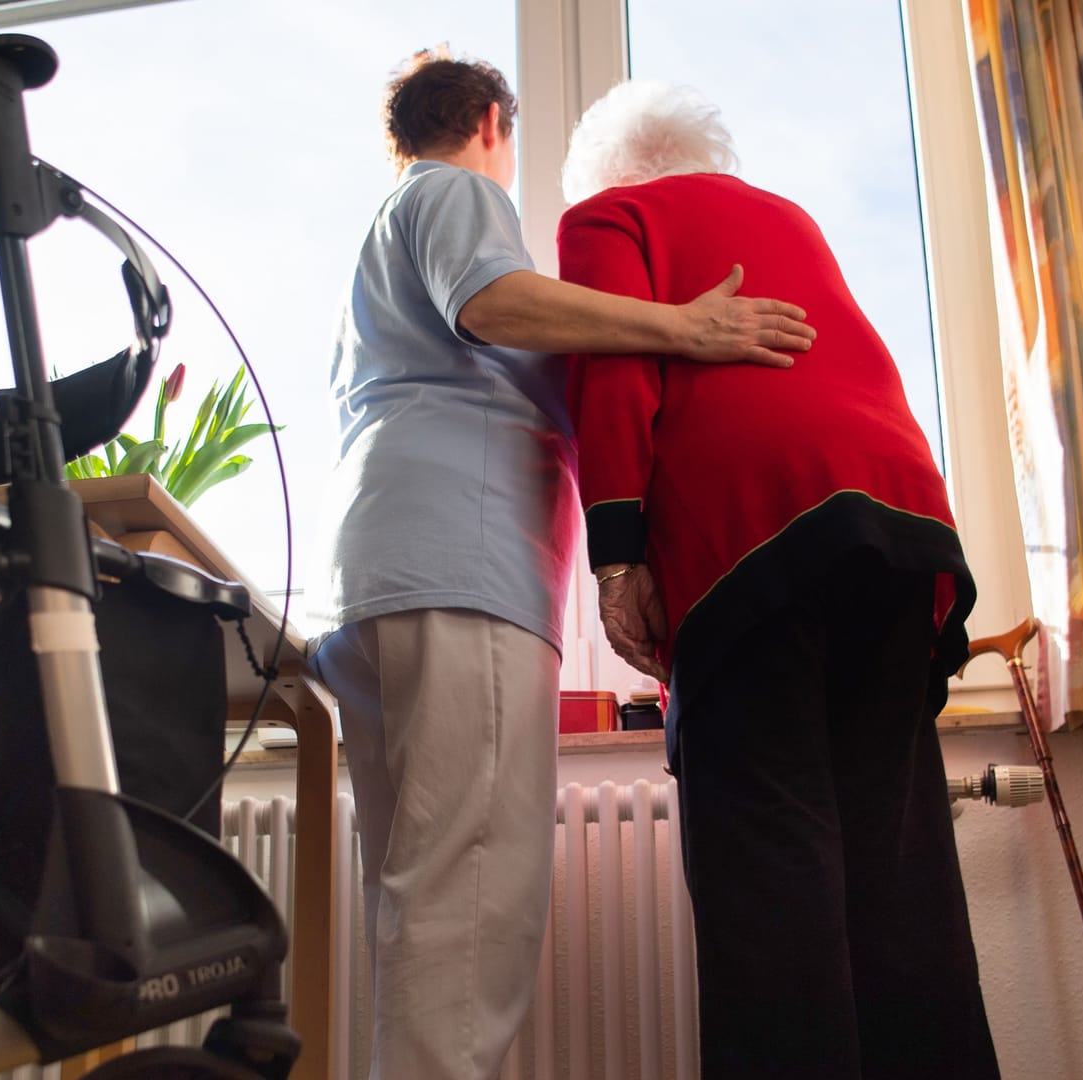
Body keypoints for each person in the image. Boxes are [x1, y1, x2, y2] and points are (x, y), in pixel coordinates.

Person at [306, 52, 815, 1080]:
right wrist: (684, 325)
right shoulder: (455, 193)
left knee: (420, 903)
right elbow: (496, 304)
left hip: (375, 578)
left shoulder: (381, 244)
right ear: (493, 119)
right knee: (472, 906)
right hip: (458, 570)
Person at [557, 80, 999, 1080]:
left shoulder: (607, 218)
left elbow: (615, 373)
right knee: (898, 872)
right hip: (897, 526)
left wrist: (618, 553)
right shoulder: (787, 217)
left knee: (770, 871)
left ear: (604, 172)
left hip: (752, 535)